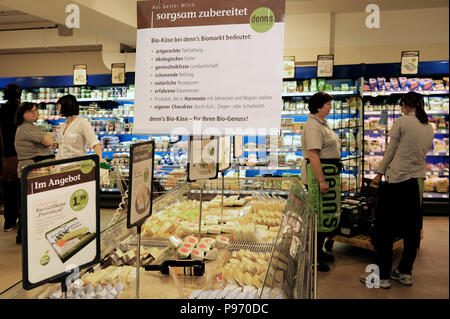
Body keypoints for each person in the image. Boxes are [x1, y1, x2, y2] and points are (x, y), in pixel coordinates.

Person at [363, 91, 434, 289]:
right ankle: (405, 272)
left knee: (384, 229)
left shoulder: (402, 122)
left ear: (404, 104)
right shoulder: (429, 127)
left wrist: (379, 172)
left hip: (396, 181)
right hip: (415, 182)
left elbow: (391, 150)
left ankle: (382, 276)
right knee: (411, 230)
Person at [301, 92, 341, 272]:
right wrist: (322, 181)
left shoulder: (321, 124)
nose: (330, 106)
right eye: (327, 103)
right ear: (318, 106)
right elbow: (313, 155)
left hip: (328, 175)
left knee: (325, 216)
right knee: (318, 217)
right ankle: (314, 258)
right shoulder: (313, 127)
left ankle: (320, 251)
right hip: (320, 177)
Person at [14, 103, 56, 244]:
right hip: (34, 169)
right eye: (31, 111)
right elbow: (49, 141)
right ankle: (27, 235)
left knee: (32, 203)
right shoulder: (26, 128)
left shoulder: (29, 127)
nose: (35, 113)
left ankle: (27, 234)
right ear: (22, 114)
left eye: (36, 110)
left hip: (35, 168)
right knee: (33, 204)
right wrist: (49, 135)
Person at [0, 83, 22, 235]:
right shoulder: (23, 111)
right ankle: (23, 220)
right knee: (23, 190)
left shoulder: (1, 110)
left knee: (8, 191)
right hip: (22, 155)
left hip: (5, 157)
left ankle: (9, 221)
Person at [55, 94, 102, 161]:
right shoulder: (63, 125)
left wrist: (99, 160)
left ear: (66, 107)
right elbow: (62, 148)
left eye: (59, 107)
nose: (58, 110)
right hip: (60, 166)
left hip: (76, 166)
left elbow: (95, 144)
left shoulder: (83, 123)